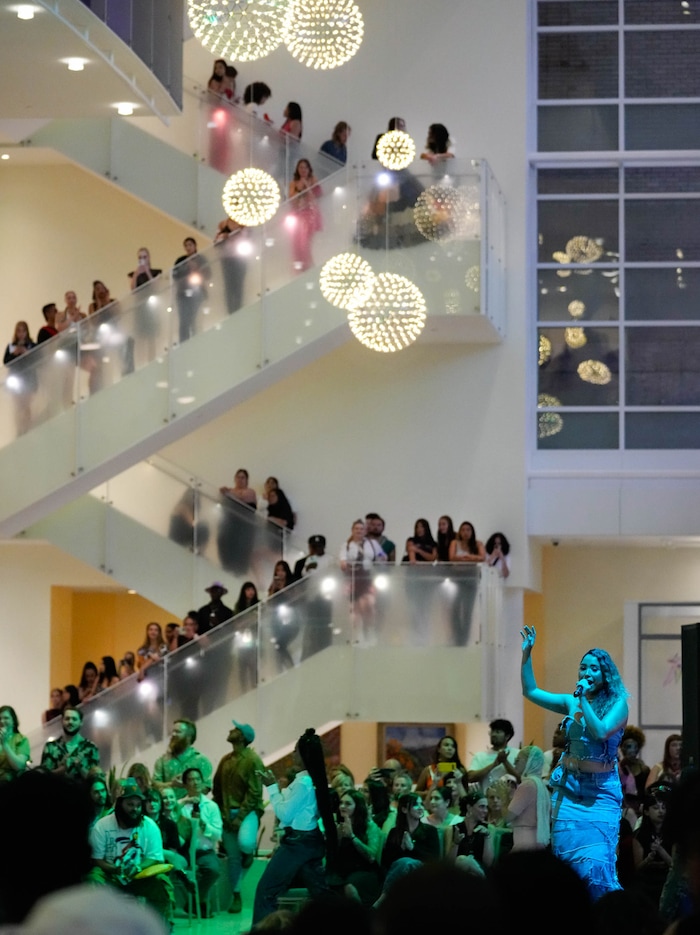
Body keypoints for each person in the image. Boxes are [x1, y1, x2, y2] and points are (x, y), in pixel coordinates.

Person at [520, 624, 629, 899]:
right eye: (583, 667)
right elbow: (531, 691)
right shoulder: (572, 702)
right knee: (568, 867)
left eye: (594, 668)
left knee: (595, 866)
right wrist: (527, 655)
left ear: (606, 674)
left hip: (600, 795)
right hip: (569, 793)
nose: (587, 673)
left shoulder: (619, 704)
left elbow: (600, 732)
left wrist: (584, 702)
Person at [253, 728, 335, 924]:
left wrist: (272, 787)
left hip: (298, 844)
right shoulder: (309, 781)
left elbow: (284, 814)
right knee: (320, 894)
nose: (292, 754)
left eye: (295, 750)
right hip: (308, 843)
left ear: (303, 755)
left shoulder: (303, 784)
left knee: (266, 892)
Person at [88, 777, 174, 926]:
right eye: (130, 804)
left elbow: (155, 858)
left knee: (162, 884)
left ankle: (159, 927)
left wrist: (138, 867)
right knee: (93, 879)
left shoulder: (149, 826)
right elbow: (96, 859)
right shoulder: (102, 826)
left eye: (138, 805)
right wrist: (115, 869)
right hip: (110, 874)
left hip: (140, 876)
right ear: (120, 805)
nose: (135, 809)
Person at [213, 720, 265, 914]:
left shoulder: (252, 760)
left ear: (242, 736)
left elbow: (254, 793)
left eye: (235, 729)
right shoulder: (225, 760)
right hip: (227, 813)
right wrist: (222, 813)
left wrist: (240, 817)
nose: (230, 730)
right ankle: (236, 896)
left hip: (248, 812)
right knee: (233, 858)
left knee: (245, 842)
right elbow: (217, 787)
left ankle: (249, 853)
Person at [179, 766, 223, 917]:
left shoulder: (211, 806)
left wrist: (204, 825)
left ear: (203, 782)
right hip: (185, 851)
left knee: (214, 870)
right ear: (185, 784)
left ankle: (194, 900)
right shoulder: (180, 806)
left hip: (205, 851)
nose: (195, 783)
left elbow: (217, 834)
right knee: (178, 870)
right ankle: (202, 903)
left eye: (198, 779)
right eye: (191, 780)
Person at [332, 789, 383, 906]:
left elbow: (371, 856)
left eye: (348, 803)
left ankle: (361, 919)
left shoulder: (369, 826)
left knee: (350, 888)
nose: (342, 806)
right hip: (342, 871)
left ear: (358, 807)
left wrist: (352, 837)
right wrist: (337, 838)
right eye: (341, 803)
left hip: (365, 870)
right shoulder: (337, 826)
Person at [340, 519, 386, 645]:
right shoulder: (347, 545)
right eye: (356, 529)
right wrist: (346, 564)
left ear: (365, 531)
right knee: (355, 609)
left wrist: (380, 559)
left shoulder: (372, 544)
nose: (359, 531)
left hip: (368, 577)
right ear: (352, 530)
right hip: (354, 577)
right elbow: (343, 562)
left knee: (369, 604)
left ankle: (369, 631)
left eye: (361, 529)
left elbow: (383, 555)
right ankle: (357, 635)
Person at [294, 535, 334, 661]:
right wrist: (307, 568)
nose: (316, 549)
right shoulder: (303, 562)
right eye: (314, 547)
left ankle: (325, 651)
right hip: (309, 599)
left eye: (319, 547)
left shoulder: (330, 560)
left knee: (324, 626)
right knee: (310, 627)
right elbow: (299, 581)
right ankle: (308, 653)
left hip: (325, 599)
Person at [505, 745, 551, 851]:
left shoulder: (527, 785)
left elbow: (508, 816)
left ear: (528, 762)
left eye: (518, 759)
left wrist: (505, 797)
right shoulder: (542, 786)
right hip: (538, 842)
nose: (515, 763)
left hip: (524, 842)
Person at [448, 520, 486, 645]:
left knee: (467, 610)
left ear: (472, 531)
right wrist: (469, 558)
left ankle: (464, 639)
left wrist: (467, 557)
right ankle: (457, 636)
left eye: (468, 530)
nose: (465, 532)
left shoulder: (478, 543)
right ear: (460, 531)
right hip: (457, 578)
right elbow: (452, 557)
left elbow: (482, 557)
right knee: (454, 608)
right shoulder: (455, 542)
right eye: (463, 530)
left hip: (471, 578)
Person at [153, 718, 213, 795]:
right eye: (173, 731)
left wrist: (187, 787)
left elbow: (206, 787)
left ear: (189, 737)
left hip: (193, 805)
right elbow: (154, 785)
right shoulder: (162, 761)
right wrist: (172, 784)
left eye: (178, 732)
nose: (173, 734)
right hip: (170, 806)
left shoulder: (201, 761)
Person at [39, 705, 100, 781]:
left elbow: (95, 779)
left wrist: (79, 767)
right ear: (62, 721)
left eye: (74, 719)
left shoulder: (91, 748)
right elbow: (43, 778)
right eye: (67, 719)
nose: (70, 722)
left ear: (81, 722)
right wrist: (62, 769)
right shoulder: (51, 747)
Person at [172, 236, 209, 343]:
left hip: (198, 292)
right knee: (184, 320)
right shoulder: (181, 260)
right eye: (186, 246)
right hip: (182, 294)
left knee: (195, 319)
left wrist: (196, 268)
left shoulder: (201, 259)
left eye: (190, 245)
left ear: (195, 246)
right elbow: (175, 276)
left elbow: (208, 274)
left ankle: (196, 341)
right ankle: (184, 343)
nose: (188, 248)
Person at [467, 718, 520, 791]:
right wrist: (494, 765)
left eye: (498, 732)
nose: (493, 734)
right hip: (487, 800)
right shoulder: (480, 756)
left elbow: (522, 779)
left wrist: (505, 762)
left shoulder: (517, 754)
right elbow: (470, 777)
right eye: (492, 731)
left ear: (507, 736)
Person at [288, 158, 322, 271]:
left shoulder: (313, 180)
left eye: (305, 167)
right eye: (300, 167)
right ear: (297, 169)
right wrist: (299, 188)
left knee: (305, 243)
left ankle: (309, 267)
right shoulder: (293, 183)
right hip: (297, 215)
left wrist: (307, 186)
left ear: (309, 169)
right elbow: (292, 202)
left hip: (310, 215)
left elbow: (317, 197)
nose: (303, 170)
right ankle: (299, 269)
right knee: (296, 244)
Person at [4, 320, 37, 436]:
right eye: (19, 331)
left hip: (29, 379)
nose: (21, 334)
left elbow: (37, 358)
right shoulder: (11, 346)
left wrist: (26, 352)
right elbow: (6, 362)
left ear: (27, 332)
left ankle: (27, 428)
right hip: (16, 379)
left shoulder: (32, 345)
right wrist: (15, 353)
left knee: (26, 405)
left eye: (23, 331)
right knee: (18, 406)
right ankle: (19, 430)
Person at [267, 560, 299, 671]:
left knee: (281, 644)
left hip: (291, 618)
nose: (280, 573)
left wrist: (282, 588)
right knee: (278, 645)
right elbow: (269, 603)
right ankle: (282, 669)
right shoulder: (273, 585)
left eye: (282, 570)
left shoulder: (292, 582)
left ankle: (291, 667)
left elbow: (294, 598)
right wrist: (273, 589)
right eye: (277, 570)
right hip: (276, 620)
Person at [415, 734, 467, 800]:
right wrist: (430, 792)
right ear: (439, 749)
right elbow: (416, 794)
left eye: (453, 746)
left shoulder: (460, 770)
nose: (450, 748)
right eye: (446, 745)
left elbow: (466, 796)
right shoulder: (429, 770)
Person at [618, 724, 650, 800]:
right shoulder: (616, 769)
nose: (632, 750)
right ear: (622, 748)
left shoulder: (644, 770)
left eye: (635, 747)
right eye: (628, 746)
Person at [0, 705, 30, 783]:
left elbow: (19, 766)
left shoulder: (21, 739)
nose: (2, 721)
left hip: (12, 783)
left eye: (6, 718)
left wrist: (5, 744)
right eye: (0, 718)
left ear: (13, 721)